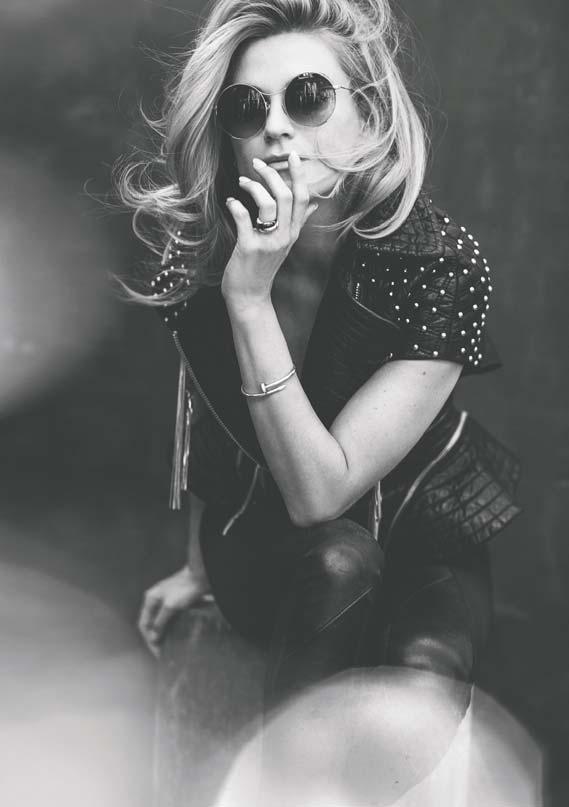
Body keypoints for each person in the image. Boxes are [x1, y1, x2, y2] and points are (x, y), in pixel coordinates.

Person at [120, 0, 522, 776]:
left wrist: (248, 299)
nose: (276, 127)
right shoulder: (200, 260)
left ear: (367, 116)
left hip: (418, 535)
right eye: (247, 108)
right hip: (274, 542)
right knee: (339, 558)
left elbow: (329, 482)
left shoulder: (437, 264)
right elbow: (211, 417)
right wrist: (246, 295)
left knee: (422, 686)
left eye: (307, 97)